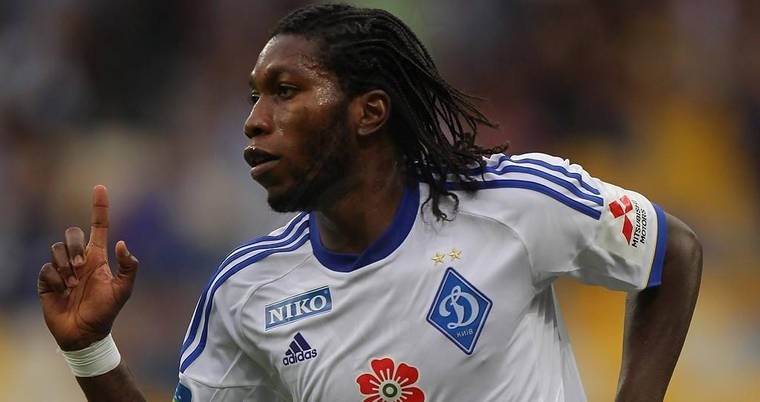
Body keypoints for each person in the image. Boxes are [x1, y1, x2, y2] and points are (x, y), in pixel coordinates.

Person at [37, 4, 702, 401]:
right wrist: (91, 351)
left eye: (285, 91)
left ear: (370, 112)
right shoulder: (247, 292)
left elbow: (674, 252)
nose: (254, 121)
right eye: (254, 97)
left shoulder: (514, 202)